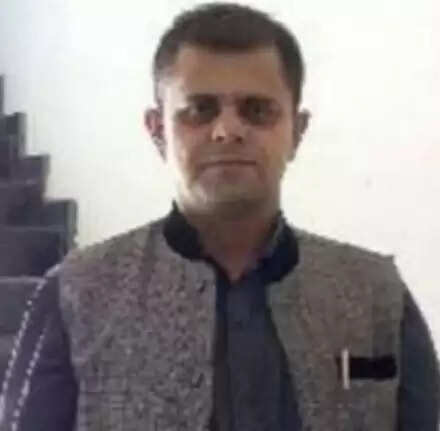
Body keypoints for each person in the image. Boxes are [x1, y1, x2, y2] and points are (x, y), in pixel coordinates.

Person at [0, 2, 438, 430]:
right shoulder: (78, 294)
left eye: (257, 110)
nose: (227, 130)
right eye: (199, 110)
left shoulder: (376, 295)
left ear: (297, 132)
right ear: (158, 131)